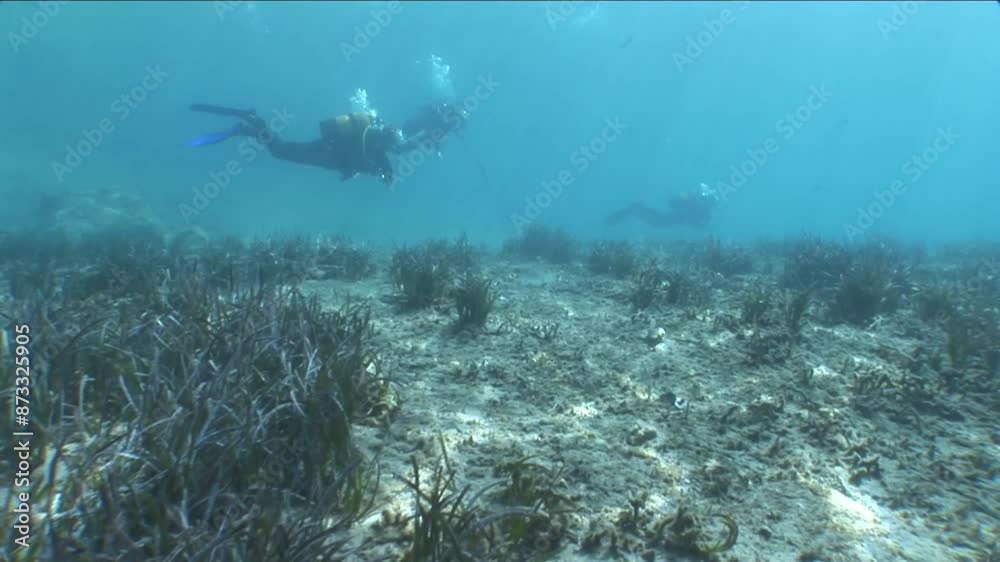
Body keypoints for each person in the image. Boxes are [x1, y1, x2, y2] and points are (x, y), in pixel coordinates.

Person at [188, 104, 424, 185]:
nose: (392, 149)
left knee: (281, 150)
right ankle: (253, 120)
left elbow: (377, 163)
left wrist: (383, 174)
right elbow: (362, 159)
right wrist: (379, 172)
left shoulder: (376, 146)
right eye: (392, 145)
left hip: (326, 152)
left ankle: (248, 129)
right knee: (280, 151)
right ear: (387, 140)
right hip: (325, 153)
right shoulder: (372, 144)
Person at [605, 182, 720, 229]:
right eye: (709, 202)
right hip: (673, 218)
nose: (710, 205)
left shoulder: (705, 212)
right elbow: (674, 202)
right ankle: (635, 208)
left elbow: (698, 225)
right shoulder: (695, 203)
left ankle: (636, 208)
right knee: (656, 220)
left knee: (656, 219)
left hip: (673, 219)